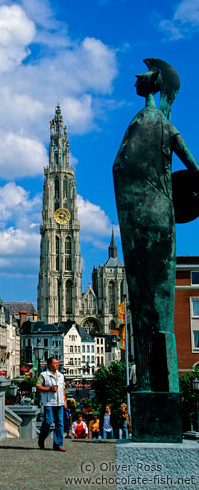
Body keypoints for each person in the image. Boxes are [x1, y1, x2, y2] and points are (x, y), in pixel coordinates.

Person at [113, 59, 199, 393]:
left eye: (139, 79)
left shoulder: (142, 120)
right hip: (161, 212)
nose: (134, 82)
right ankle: (165, 384)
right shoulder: (161, 121)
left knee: (148, 296)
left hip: (141, 216)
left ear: (150, 84)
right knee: (158, 295)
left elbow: (120, 166)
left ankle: (153, 382)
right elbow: (192, 165)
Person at [36, 357, 67, 451]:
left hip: (59, 402)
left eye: (57, 363)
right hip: (49, 402)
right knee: (48, 422)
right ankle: (41, 438)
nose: (57, 364)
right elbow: (38, 387)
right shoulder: (44, 375)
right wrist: (49, 389)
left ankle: (58, 444)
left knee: (60, 423)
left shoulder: (61, 375)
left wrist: (65, 401)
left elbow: (63, 389)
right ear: (49, 365)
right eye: (55, 363)